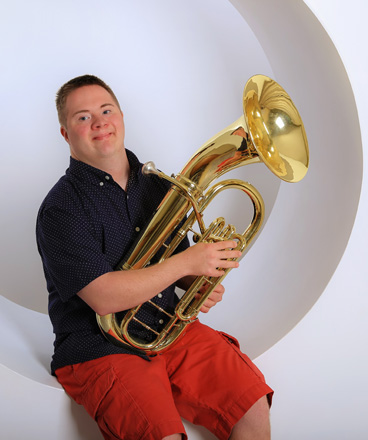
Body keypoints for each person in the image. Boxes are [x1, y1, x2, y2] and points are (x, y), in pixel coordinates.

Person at [36, 74, 273, 440]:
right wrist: (187, 264)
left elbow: (178, 267)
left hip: (168, 331)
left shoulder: (158, 185)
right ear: (66, 135)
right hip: (98, 347)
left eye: (106, 110)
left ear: (121, 117)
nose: (98, 122)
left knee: (251, 402)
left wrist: (200, 283)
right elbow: (103, 297)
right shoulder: (61, 208)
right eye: (82, 117)